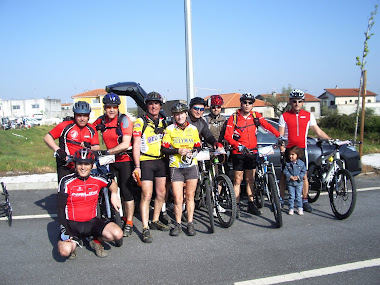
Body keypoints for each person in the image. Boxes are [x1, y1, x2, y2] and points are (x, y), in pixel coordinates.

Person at [57, 148, 123, 259]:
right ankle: (75, 242)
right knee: (65, 251)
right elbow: (60, 208)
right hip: (72, 225)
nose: (83, 167)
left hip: (92, 223)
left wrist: (114, 194)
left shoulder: (97, 179)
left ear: (92, 165)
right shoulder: (66, 181)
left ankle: (95, 239)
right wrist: (65, 230)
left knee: (117, 234)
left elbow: (112, 183)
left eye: (86, 164)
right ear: (75, 165)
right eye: (80, 164)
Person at [224, 93, 280, 218]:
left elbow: (268, 126)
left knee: (250, 179)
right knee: (238, 180)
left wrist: (279, 135)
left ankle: (251, 203)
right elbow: (227, 136)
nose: (247, 105)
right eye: (245, 102)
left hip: (252, 152)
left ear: (252, 104)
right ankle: (236, 205)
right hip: (238, 153)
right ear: (241, 103)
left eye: (250, 103)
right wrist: (237, 145)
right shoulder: (234, 118)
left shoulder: (256, 116)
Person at [279, 89, 331, 213]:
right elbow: (280, 134)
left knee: (304, 176)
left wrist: (330, 139)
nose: (297, 103)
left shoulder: (308, 115)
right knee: (284, 176)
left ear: (303, 102)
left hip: (302, 150)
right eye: (294, 101)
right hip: (289, 149)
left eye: (299, 101)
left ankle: (304, 200)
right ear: (290, 102)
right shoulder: (284, 116)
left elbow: (318, 131)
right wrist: (282, 148)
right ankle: (280, 199)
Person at [92, 93, 134, 237]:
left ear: (118, 108)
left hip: (123, 159)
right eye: (108, 107)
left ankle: (129, 222)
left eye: (114, 107)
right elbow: (89, 129)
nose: (111, 110)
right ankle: (110, 213)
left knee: (127, 191)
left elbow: (125, 143)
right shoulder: (101, 121)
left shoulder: (124, 120)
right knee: (109, 188)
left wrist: (107, 151)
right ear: (104, 108)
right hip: (108, 160)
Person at [132, 92, 169, 243]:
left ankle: (154, 220)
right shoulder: (140, 122)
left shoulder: (164, 122)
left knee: (161, 193)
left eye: (156, 103)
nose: (154, 106)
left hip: (161, 161)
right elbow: (135, 145)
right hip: (146, 162)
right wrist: (137, 166)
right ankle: (145, 227)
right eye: (151, 103)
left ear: (160, 106)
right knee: (146, 195)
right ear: (147, 106)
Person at [161, 102, 201, 237]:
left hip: (191, 166)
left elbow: (198, 145)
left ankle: (190, 223)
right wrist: (177, 150)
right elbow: (164, 149)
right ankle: (178, 224)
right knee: (178, 198)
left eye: (182, 114)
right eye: (176, 114)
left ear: (186, 114)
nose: (179, 117)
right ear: (174, 116)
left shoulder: (193, 129)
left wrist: (193, 152)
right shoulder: (169, 129)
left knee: (190, 196)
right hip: (176, 167)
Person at [44, 101, 100, 182]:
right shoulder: (65, 125)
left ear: (88, 116)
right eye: (79, 115)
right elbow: (47, 137)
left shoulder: (91, 129)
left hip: (83, 166)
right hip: (66, 165)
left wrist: (90, 147)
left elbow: (97, 147)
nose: (82, 119)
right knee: (64, 192)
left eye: (85, 116)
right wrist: (58, 150)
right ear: (74, 115)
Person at [283, 146, 306, 215]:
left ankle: (299, 208)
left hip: (299, 182)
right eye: (290, 154)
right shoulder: (287, 164)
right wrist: (290, 177)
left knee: (298, 196)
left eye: (293, 155)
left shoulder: (301, 164)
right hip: (290, 182)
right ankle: (291, 208)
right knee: (291, 196)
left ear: (297, 155)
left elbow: (303, 172)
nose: (291, 156)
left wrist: (298, 177)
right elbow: (285, 171)